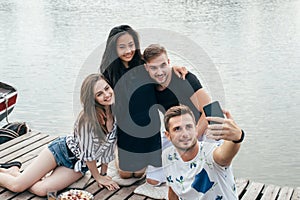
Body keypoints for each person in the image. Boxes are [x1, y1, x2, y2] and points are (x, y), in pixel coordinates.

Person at [0, 74, 120, 196]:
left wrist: (103, 174)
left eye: (107, 88)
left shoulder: (116, 114)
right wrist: (97, 177)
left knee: (44, 191)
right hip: (60, 151)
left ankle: (14, 171)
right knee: (17, 186)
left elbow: (108, 148)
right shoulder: (88, 120)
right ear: (92, 99)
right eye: (99, 94)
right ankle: (16, 175)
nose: (107, 94)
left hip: (78, 165)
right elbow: (88, 154)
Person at [99, 25, 187, 179]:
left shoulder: (142, 64)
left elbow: (159, 68)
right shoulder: (109, 72)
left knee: (140, 173)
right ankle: (119, 155)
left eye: (131, 45)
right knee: (126, 175)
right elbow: (101, 95)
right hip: (126, 128)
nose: (128, 51)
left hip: (149, 126)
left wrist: (174, 68)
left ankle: (144, 159)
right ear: (114, 48)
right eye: (122, 47)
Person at [143, 44, 211, 185]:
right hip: (178, 130)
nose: (160, 72)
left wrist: (195, 135)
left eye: (163, 65)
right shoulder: (149, 88)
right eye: (154, 68)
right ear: (146, 68)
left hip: (203, 128)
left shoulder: (184, 78)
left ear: (169, 62)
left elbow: (211, 109)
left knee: (202, 175)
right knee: (152, 180)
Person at [162, 105, 244, 199]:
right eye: (177, 129)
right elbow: (173, 189)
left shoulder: (209, 153)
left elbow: (223, 156)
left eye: (188, 127)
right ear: (168, 135)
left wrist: (237, 138)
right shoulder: (168, 156)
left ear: (196, 129)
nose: (185, 134)